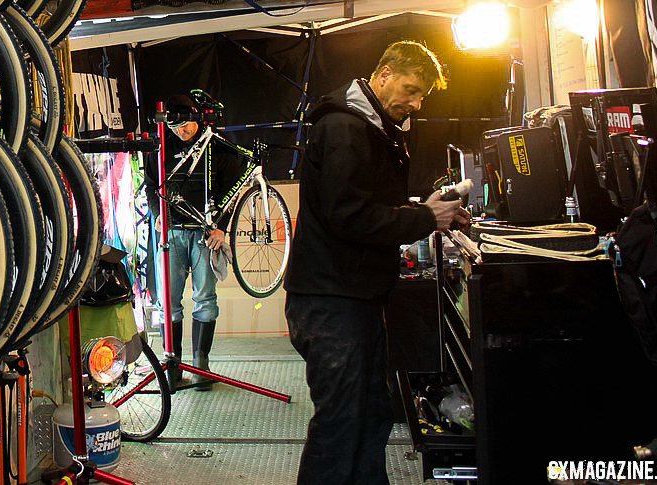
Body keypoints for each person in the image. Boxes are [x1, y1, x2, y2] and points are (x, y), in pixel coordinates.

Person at [284, 41, 470, 485]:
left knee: (371, 415)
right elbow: (347, 215)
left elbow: (363, 202)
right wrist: (424, 218)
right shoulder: (345, 129)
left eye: (422, 95)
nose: (416, 103)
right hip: (332, 302)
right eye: (410, 89)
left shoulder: (372, 128)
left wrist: (421, 210)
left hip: (353, 298)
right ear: (383, 75)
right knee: (342, 424)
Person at [158, 93, 240, 390]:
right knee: (168, 302)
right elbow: (153, 185)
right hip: (173, 233)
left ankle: (201, 365)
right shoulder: (162, 146)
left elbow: (231, 191)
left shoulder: (216, 147)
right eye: (176, 126)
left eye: (187, 124)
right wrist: (159, 214)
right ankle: (173, 365)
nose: (182, 130)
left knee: (205, 299)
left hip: (205, 235)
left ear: (198, 118)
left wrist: (221, 228)